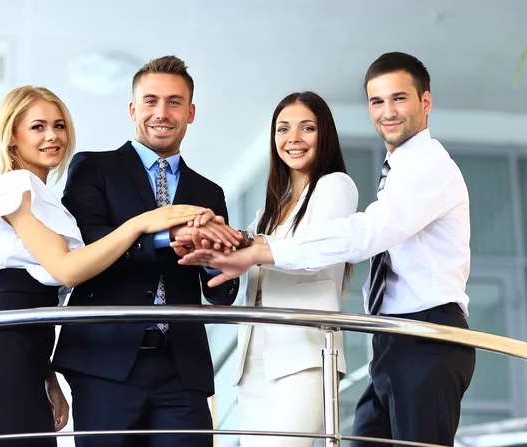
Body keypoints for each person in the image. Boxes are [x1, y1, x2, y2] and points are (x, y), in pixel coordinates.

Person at [177, 52, 476, 446]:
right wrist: (220, 238)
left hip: (427, 333)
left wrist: (255, 250)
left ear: (426, 102)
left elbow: (364, 236)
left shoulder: (428, 167)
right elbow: (252, 246)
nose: (387, 111)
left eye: (399, 98)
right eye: (377, 101)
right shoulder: (398, 171)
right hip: (392, 339)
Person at [0, 85, 210, 447]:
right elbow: (67, 270)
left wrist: (47, 375)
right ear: (11, 135)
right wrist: (141, 223)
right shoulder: (14, 185)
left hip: (30, 344)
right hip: (3, 346)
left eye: (59, 126)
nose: (52, 136)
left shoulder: (40, 193)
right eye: (37, 127)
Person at [51, 55, 241, 447]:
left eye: (174, 102)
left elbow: (218, 292)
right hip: (106, 362)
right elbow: (90, 242)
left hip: (182, 368)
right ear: (133, 108)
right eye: (151, 101)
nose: (162, 113)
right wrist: (163, 237)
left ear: (190, 113)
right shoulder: (93, 168)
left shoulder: (209, 193)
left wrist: (222, 262)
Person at [234, 91, 358, 447]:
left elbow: (314, 253)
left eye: (307, 128)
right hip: (254, 357)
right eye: (283, 129)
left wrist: (254, 250)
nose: (293, 139)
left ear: (325, 135)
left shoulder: (335, 186)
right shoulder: (271, 209)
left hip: (303, 356)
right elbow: (254, 263)